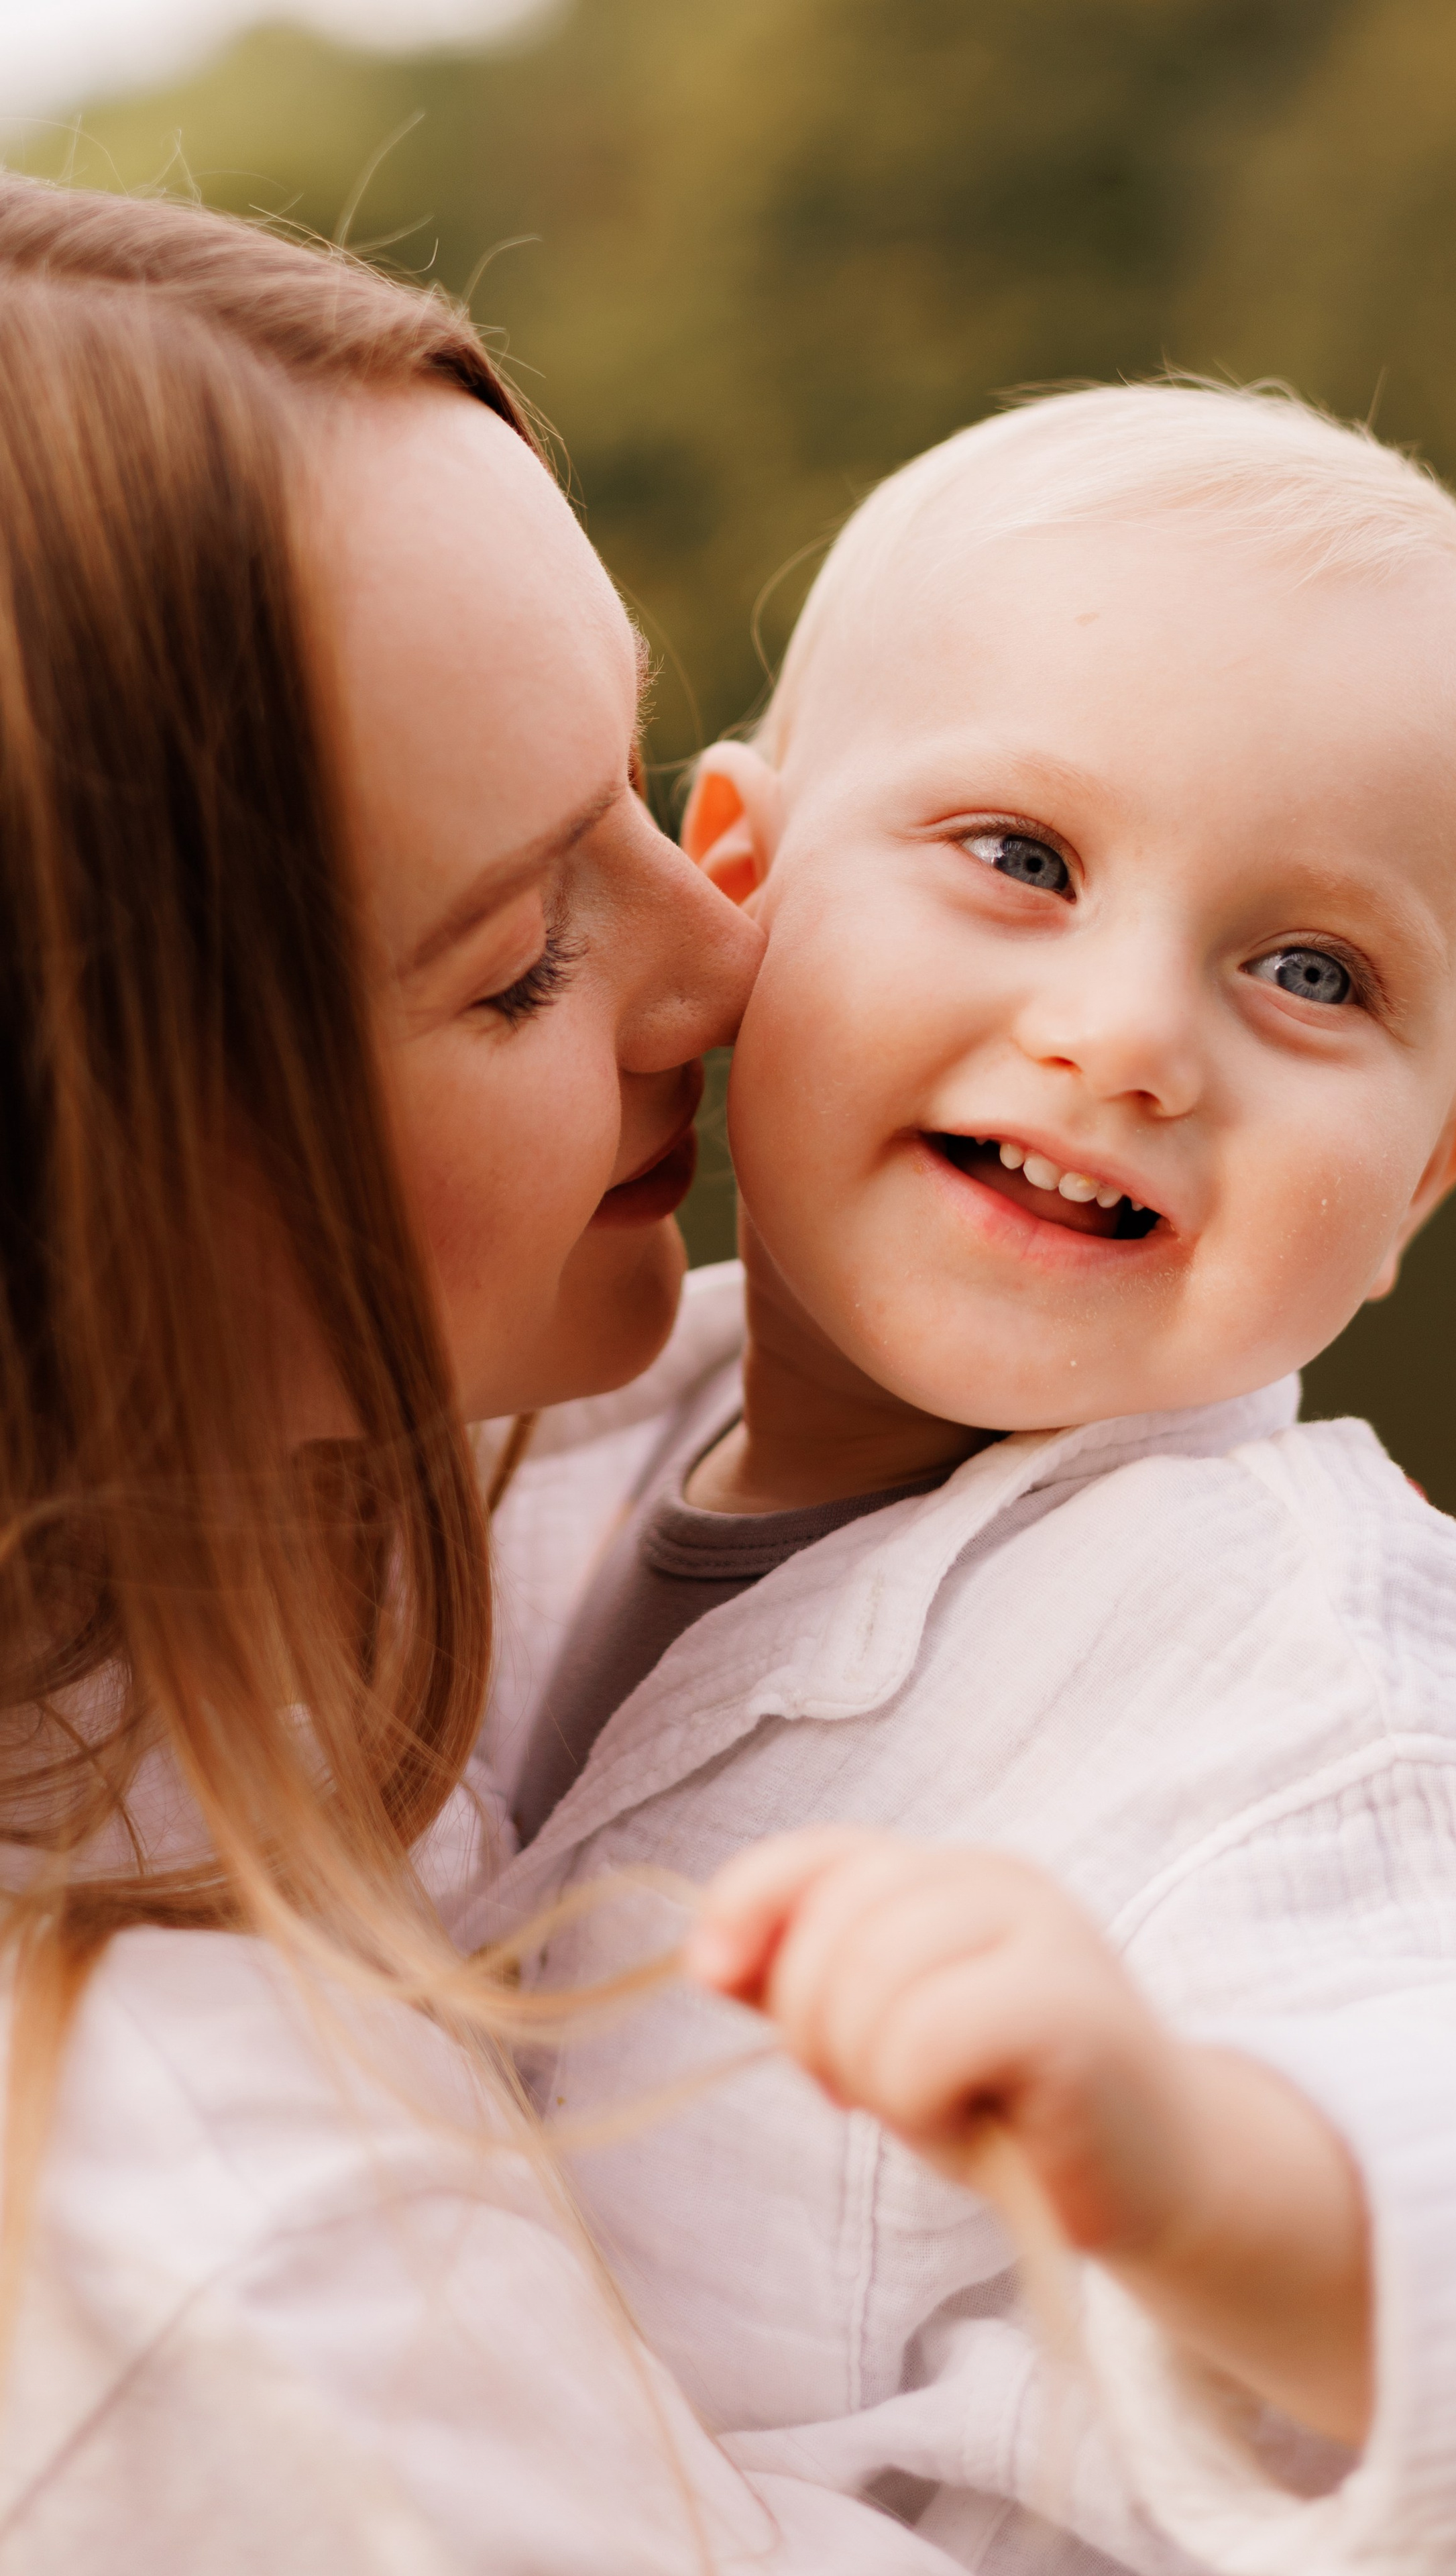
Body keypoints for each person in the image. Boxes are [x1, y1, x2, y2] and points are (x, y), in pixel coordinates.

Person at [464, 388, 1456, 2574]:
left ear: (1434, 1167)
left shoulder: (1284, 1630)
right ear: (739, 881)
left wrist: (1191, 2156)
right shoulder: (527, 1423)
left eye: (1311, 972)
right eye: (1022, 859)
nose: (1129, 1036)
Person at [0, 172, 1025, 2574]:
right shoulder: (226, 2269)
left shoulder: (273, 1541)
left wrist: (1197, 1787)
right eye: (517, 961)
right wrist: (1257, 2273)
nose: (733, 961)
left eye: (642, 793)